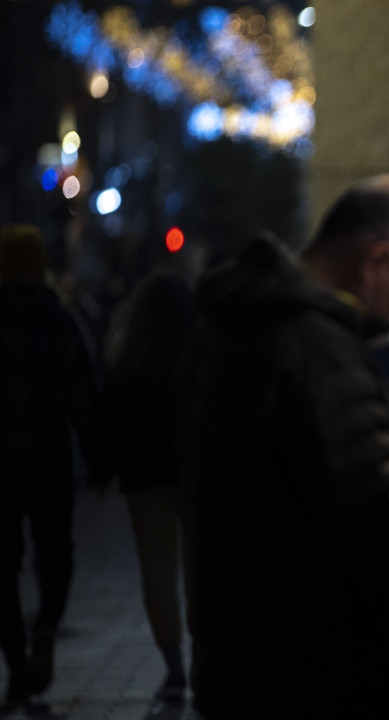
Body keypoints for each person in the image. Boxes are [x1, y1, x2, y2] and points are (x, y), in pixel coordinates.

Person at [177, 174, 389, 720]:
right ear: (377, 261)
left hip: (235, 666)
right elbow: (378, 537)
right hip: (318, 680)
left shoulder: (228, 329)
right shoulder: (322, 356)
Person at [0, 225, 98, 707]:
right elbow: (82, 393)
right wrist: (100, 458)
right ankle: (44, 634)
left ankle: (15, 658)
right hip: (48, 456)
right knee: (55, 553)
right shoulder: (58, 317)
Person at [95, 271, 197, 702]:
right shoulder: (199, 360)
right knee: (202, 566)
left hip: (144, 479)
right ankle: (206, 656)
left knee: (156, 571)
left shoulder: (129, 363)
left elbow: (110, 422)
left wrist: (103, 471)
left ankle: (174, 667)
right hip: (194, 474)